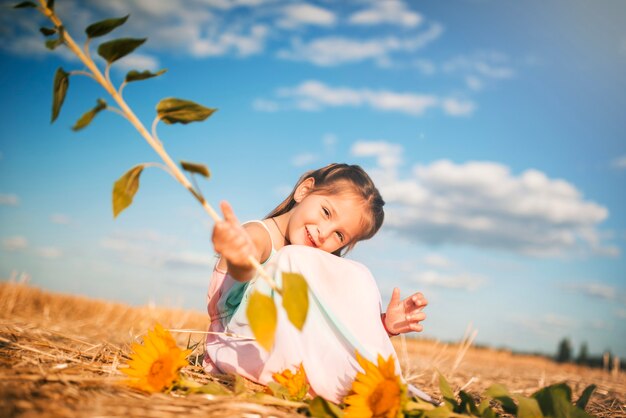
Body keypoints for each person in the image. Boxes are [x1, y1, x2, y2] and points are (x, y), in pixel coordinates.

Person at [203, 163, 428, 403]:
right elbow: (245, 265)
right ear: (304, 190)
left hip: (286, 351)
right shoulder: (260, 236)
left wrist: (382, 326)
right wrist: (238, 253)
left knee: (358, 273)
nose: (325, 232)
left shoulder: (305, 261)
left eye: (339, 235)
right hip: (240, 345)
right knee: (294, 259)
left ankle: (379, 386)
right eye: (326, 212)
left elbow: (323, 322)